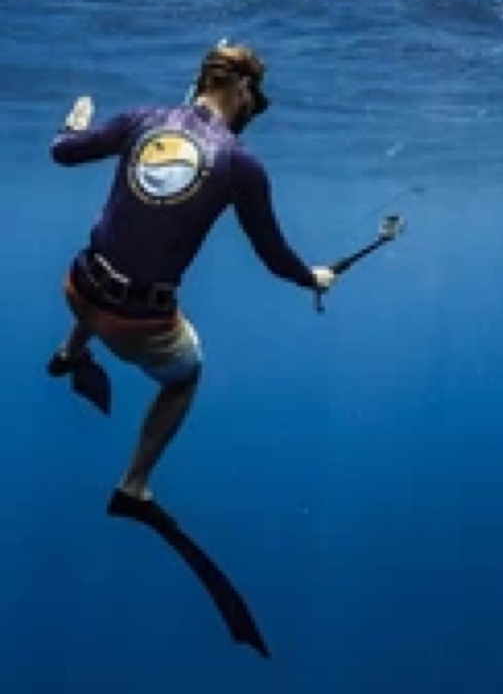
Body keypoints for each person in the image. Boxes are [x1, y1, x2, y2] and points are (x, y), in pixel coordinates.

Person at [48, 43, 337, 517]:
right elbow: (274, 256)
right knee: (186, 375)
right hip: (136, 327)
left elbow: (61, 152)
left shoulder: (141, 119)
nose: (252, 112)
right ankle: (134, 485)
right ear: (242, 87)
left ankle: (69, 353)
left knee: (108, 250)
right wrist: (312, 278)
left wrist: (75, 122)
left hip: (78, 289)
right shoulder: (240, 165)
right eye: (253, 101)